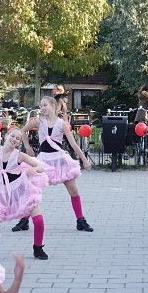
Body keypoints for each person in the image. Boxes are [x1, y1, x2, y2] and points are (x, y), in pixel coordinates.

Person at [12, 96, 93, 234]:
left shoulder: (62, 124)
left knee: (73, 190)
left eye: (45, 105)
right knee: (33, 190)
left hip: (60, 160)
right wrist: (27, 146)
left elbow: (73, 143)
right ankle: (25, 220)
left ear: (53, 106)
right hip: (43, 160)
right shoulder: (38, 121)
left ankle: (80, 220)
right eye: (41, 105)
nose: (42, 108)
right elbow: (21, 131)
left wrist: (84, 160)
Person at [0, 129, 49, 259]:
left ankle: (38, 248)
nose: (14, 139)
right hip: (3, 193)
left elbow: (40, 167)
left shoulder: (20, 155)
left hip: (22, 189)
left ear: (18, 143)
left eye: (18, 139)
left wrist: (32, 170)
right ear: (6, 136)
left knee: (39, 220)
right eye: (12, 136)